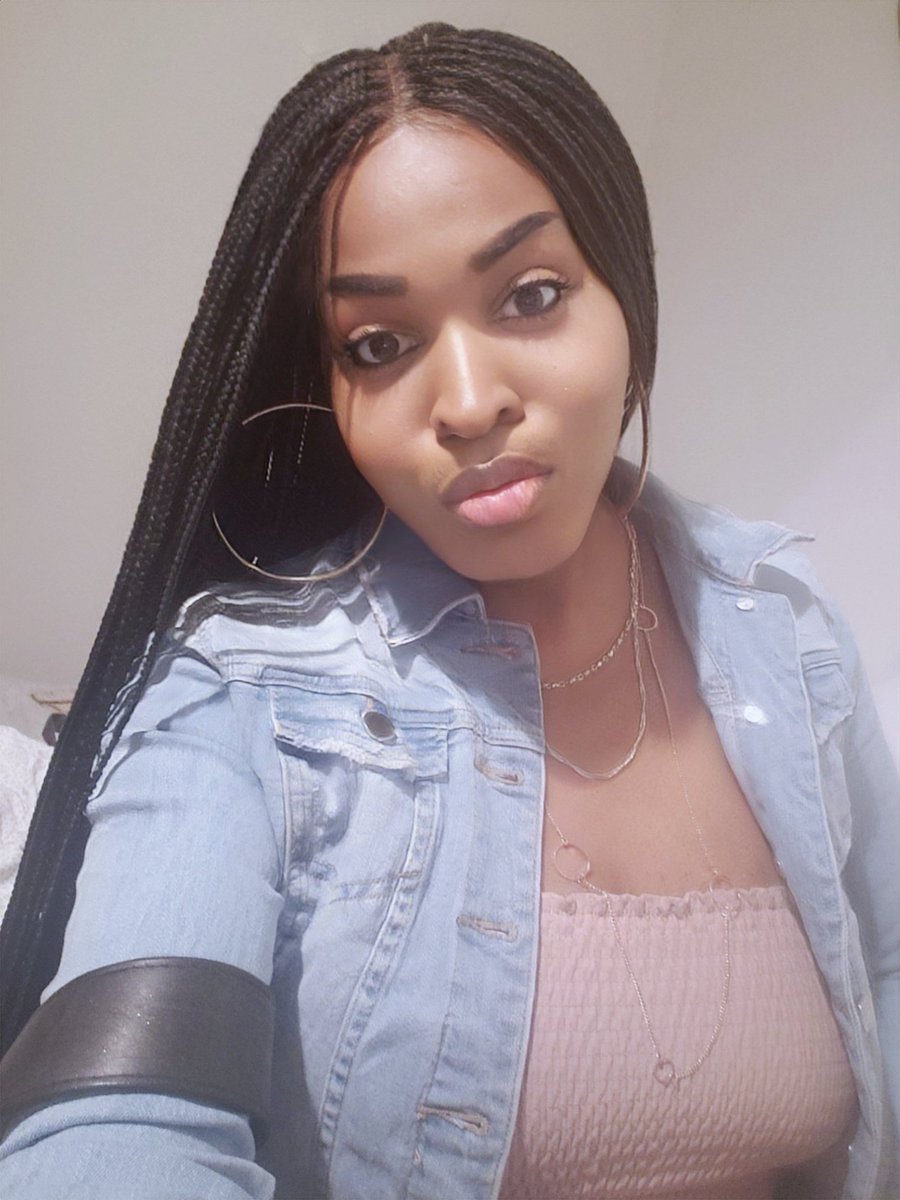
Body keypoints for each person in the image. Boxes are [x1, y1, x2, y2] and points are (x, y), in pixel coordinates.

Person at [0, 21, 896, 1200]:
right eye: (379, 344)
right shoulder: (237, 700)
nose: (469, 404)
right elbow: (122, 1124)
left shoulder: (786, 627)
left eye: (532, 294)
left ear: (626, 295)